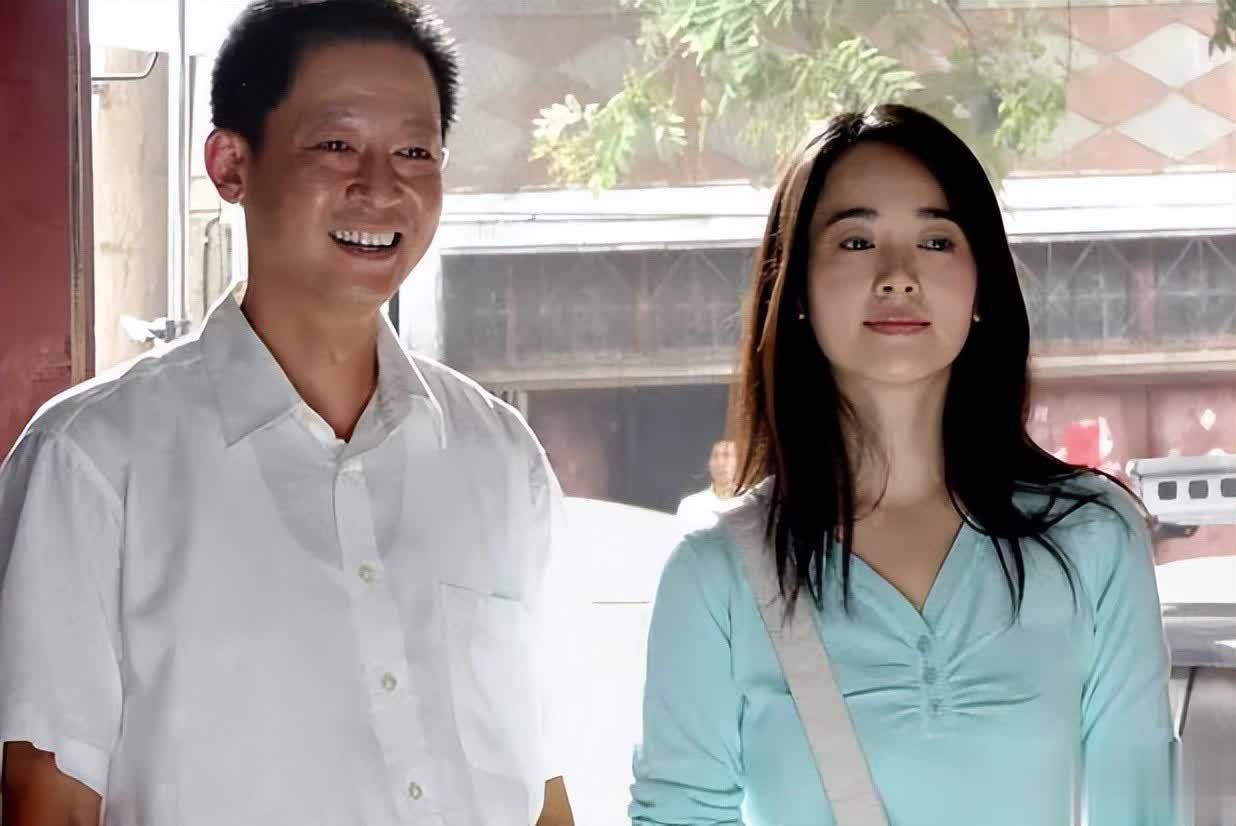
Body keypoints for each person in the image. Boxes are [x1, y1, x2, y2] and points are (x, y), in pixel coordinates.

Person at [0, 2, 576, 824]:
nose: (381, 187)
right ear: (230, 164)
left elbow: (544, 788)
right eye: (336, 145)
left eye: (415, 152)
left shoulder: (500, 458)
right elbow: (47, 804)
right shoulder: (90, 461)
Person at [630, 105, 1176, 825]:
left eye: (936, 240)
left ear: (981, 287)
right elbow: (678, 815)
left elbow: (1139, 807)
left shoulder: (1093, 536)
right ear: (796, 290)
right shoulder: (718, 570)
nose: (897, 276)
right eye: (855, 241)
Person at [675, 439, 739, 530]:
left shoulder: (753, 505)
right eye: (715, 456)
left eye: (727, 455)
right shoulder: (689, 505)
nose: (720, 463)